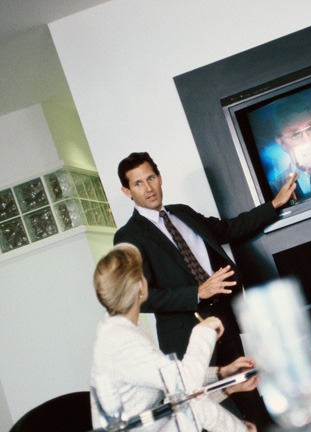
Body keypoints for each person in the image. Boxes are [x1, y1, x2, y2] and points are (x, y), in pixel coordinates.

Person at [114, 151, 296, 426]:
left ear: (160, 176)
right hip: (187, 336)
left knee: (251, 392)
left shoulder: (183, 213)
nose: (149, 188)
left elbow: (229, 229)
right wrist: (198, 292)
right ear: (126, 191)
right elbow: (141, 298)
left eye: (151, 177)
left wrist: (274, 204)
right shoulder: (127, 236)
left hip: (225, 318)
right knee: (210, 412)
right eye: (138, 183)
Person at [90, 243, 259, 432]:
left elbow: (176, 391)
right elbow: (184, 385)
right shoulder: (121, 341)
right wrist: (203, 331)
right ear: (140, 286)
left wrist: (223, 376)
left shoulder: (121, 331)